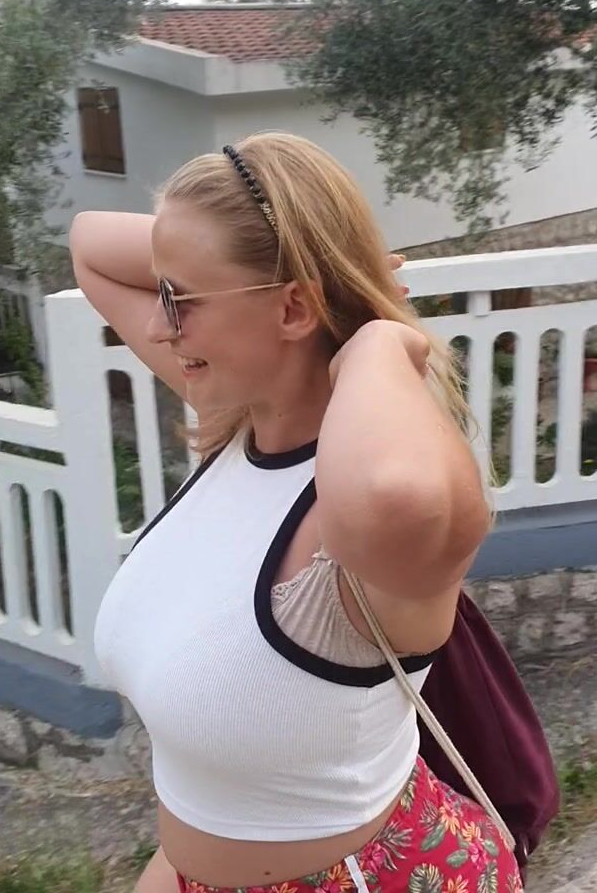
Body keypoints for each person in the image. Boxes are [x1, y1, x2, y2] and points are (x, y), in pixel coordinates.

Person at [70, 132, 521, 893]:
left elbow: (398, 495)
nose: (154, 326)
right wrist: (295, 252)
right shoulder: (238, 423)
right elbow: (89, 246)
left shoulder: (353, 526)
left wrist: (379, 341)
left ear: (293, 308)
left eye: (180, 300)